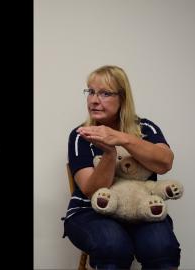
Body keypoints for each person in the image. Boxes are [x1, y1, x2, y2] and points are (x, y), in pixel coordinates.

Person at [62, 65, 181, 270]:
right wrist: (109, 153)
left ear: (123, 98)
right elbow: (91, 190)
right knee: (113, 245)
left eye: (105, 93)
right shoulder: (80, 135)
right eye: (91, 91)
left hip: (141, 209)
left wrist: (123, 139)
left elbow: (165, 163)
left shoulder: (146, 128)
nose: (94, 100)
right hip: (91, 211)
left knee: (161, 247)